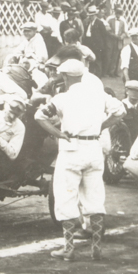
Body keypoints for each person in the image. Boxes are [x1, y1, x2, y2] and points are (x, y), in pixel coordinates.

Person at [37, 59, 125, 261]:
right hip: (93, 148)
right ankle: (96, 247)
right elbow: (120, 111)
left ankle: (68, 248)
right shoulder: (98, 95)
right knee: (94, 198)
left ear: (66, 77)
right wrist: (102, 126)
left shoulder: (62, 98)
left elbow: (39, 116)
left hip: (71, 150)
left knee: (66, 198)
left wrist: (57, 133)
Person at [105, 7, 129, 79]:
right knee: (109, 55)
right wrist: (114, 36)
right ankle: (107, 72)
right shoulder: (110, 19)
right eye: (117, 13)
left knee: (116, 56)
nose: (118, 15)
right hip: (111, 40)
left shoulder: (122, 21)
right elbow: (107, 30)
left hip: (118, 41)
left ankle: (114, 72)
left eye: (120, 14)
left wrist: (122, 36)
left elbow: (125, 31)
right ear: (115, 13)